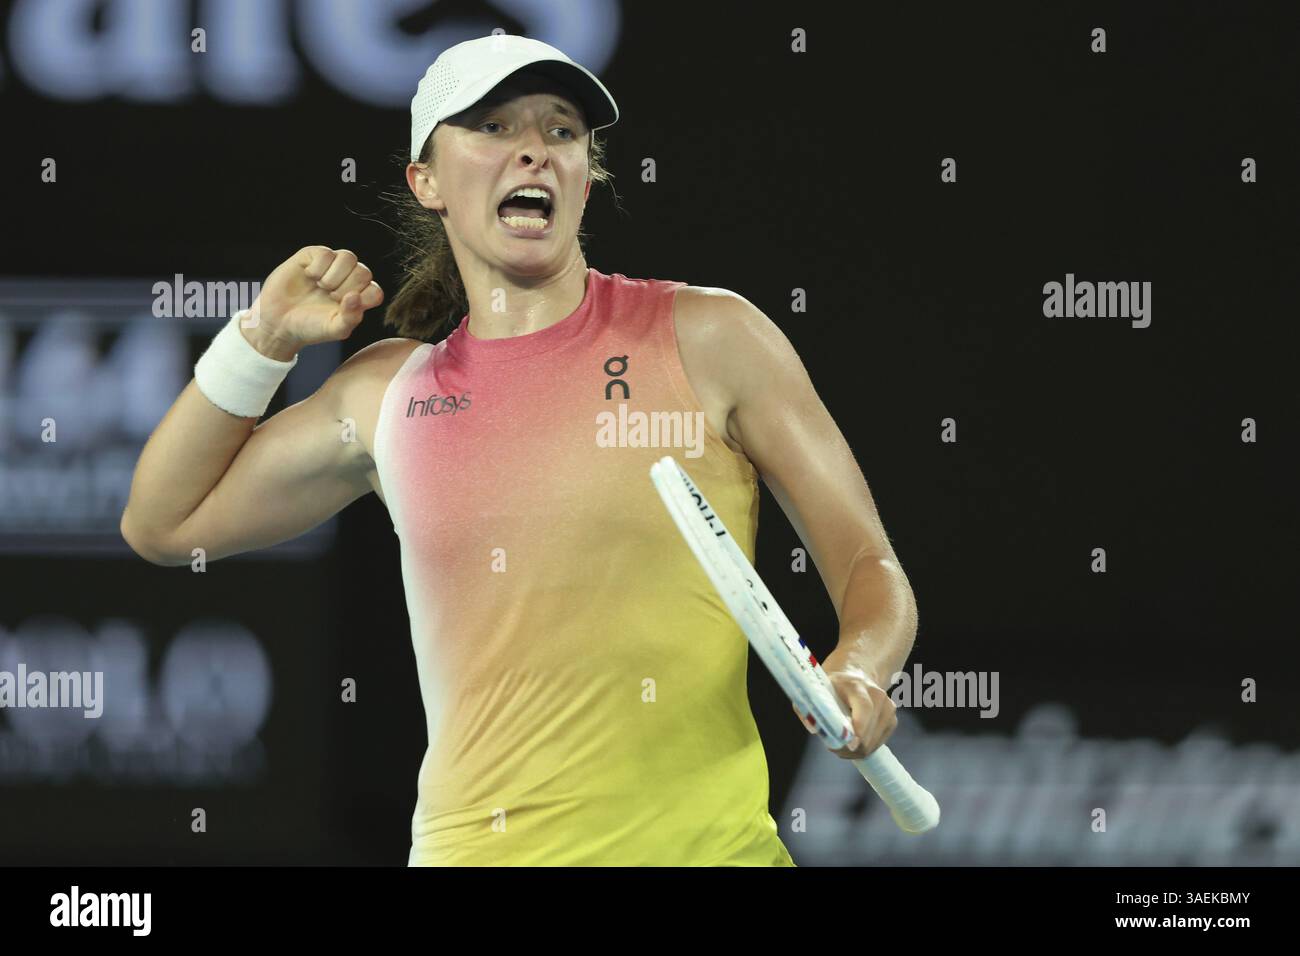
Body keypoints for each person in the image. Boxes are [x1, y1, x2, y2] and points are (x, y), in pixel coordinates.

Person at [120, 35, 919, 866]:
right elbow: (165, 523)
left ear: (584, 175)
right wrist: (262, 341)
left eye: (562, 130)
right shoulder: (386, 394)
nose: (534, 147)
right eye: (493, 127)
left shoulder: (713, 338)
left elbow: (871, 568)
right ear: (424, 181)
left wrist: (858, 671)